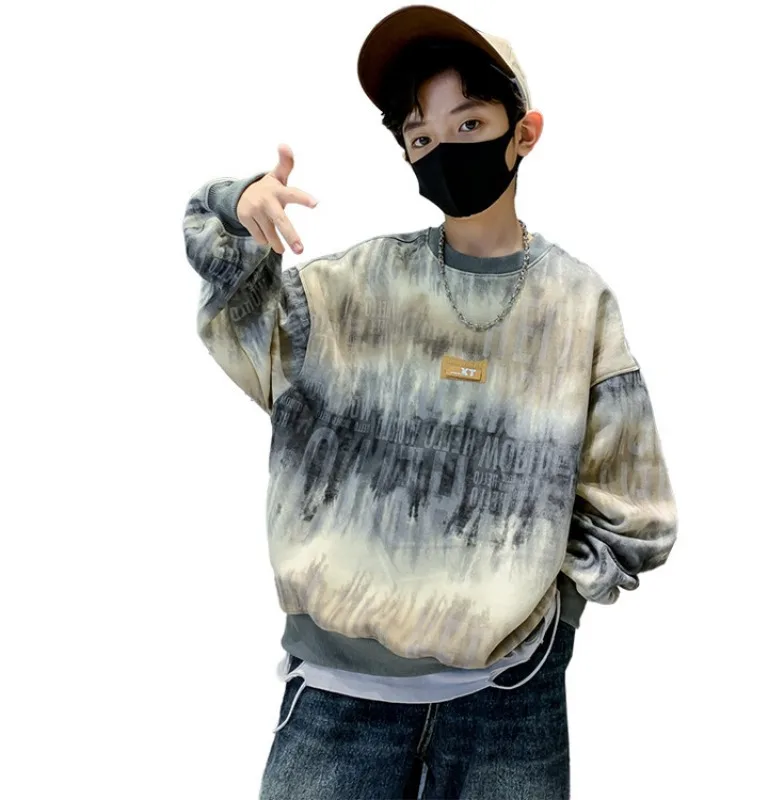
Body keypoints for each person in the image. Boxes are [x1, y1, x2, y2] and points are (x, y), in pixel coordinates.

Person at [181, 5, 678, 799]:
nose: (443, 149)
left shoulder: (576, 305)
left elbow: (635, 511)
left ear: (525, 132)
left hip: (509, 705)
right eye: (421, 137)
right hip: (336, 704)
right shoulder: (352, 291)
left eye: (469, 122)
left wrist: (542, 614)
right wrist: (235, 211)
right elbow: (240, 321)